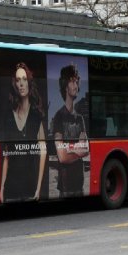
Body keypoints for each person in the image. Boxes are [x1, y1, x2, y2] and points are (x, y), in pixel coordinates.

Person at [1, 62, 47, 202]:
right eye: (18, 80)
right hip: (11, 188)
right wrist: (2, 188)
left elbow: (43, 153)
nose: (21, 83)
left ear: (29, 82)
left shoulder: (36, 115)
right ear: (15, 84)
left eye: (24, 79)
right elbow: (7, 156)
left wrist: (38, 189)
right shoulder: (9, 115)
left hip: (30, 186)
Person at [51, 64, 89, 197]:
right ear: (65, 86)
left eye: (77, 81)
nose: (76, 85)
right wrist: (76, 149)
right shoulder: (58, 117)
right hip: (65, 185)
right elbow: (62, 157)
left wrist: (69, 149)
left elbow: (85, 149)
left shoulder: (80, 118)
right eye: (72, 81)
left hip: (80, 183)